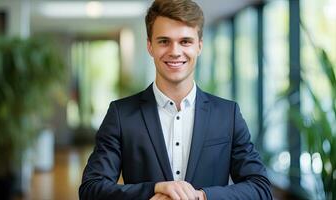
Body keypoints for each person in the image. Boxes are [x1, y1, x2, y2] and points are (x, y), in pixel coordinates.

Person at [79, 0, 272, 199]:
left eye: (185, 41)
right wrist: (153, 190)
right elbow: (91, 189)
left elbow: (260, 188)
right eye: (164, 41)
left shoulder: (227, 114)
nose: (175, 51)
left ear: (199, 45)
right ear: (150, 46)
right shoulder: (121, 114)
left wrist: (202, 197)